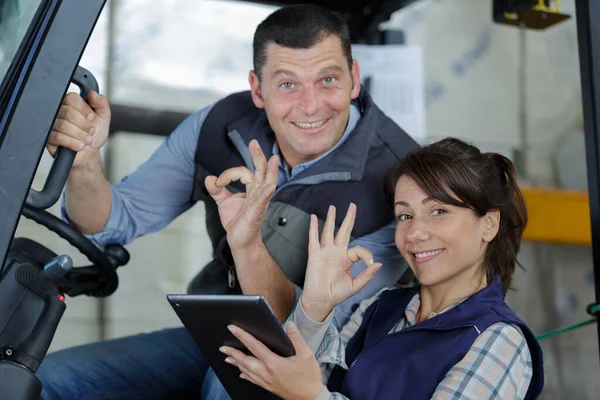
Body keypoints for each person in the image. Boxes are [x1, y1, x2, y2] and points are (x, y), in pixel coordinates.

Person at [37, 4, 419, 399]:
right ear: (257, 89)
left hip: (314, 366)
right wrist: (83, 162)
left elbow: (306, 332)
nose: (310, 105)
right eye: (288, 84)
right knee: (44, 382)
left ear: (354, 79)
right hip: (216, 335)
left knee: (226, 388)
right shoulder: (218, 123)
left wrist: (248, 242)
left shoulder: (400, 181)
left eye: (328, 80)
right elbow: (109, 222)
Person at [216, 138, 545, 400]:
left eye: (439, 212)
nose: (415, 232)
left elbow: (307, 390)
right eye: (405, 215)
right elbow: (289, 379)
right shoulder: (382, 306)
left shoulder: (498, 340)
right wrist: (315, 306)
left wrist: (311, 397)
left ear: (488, 224)